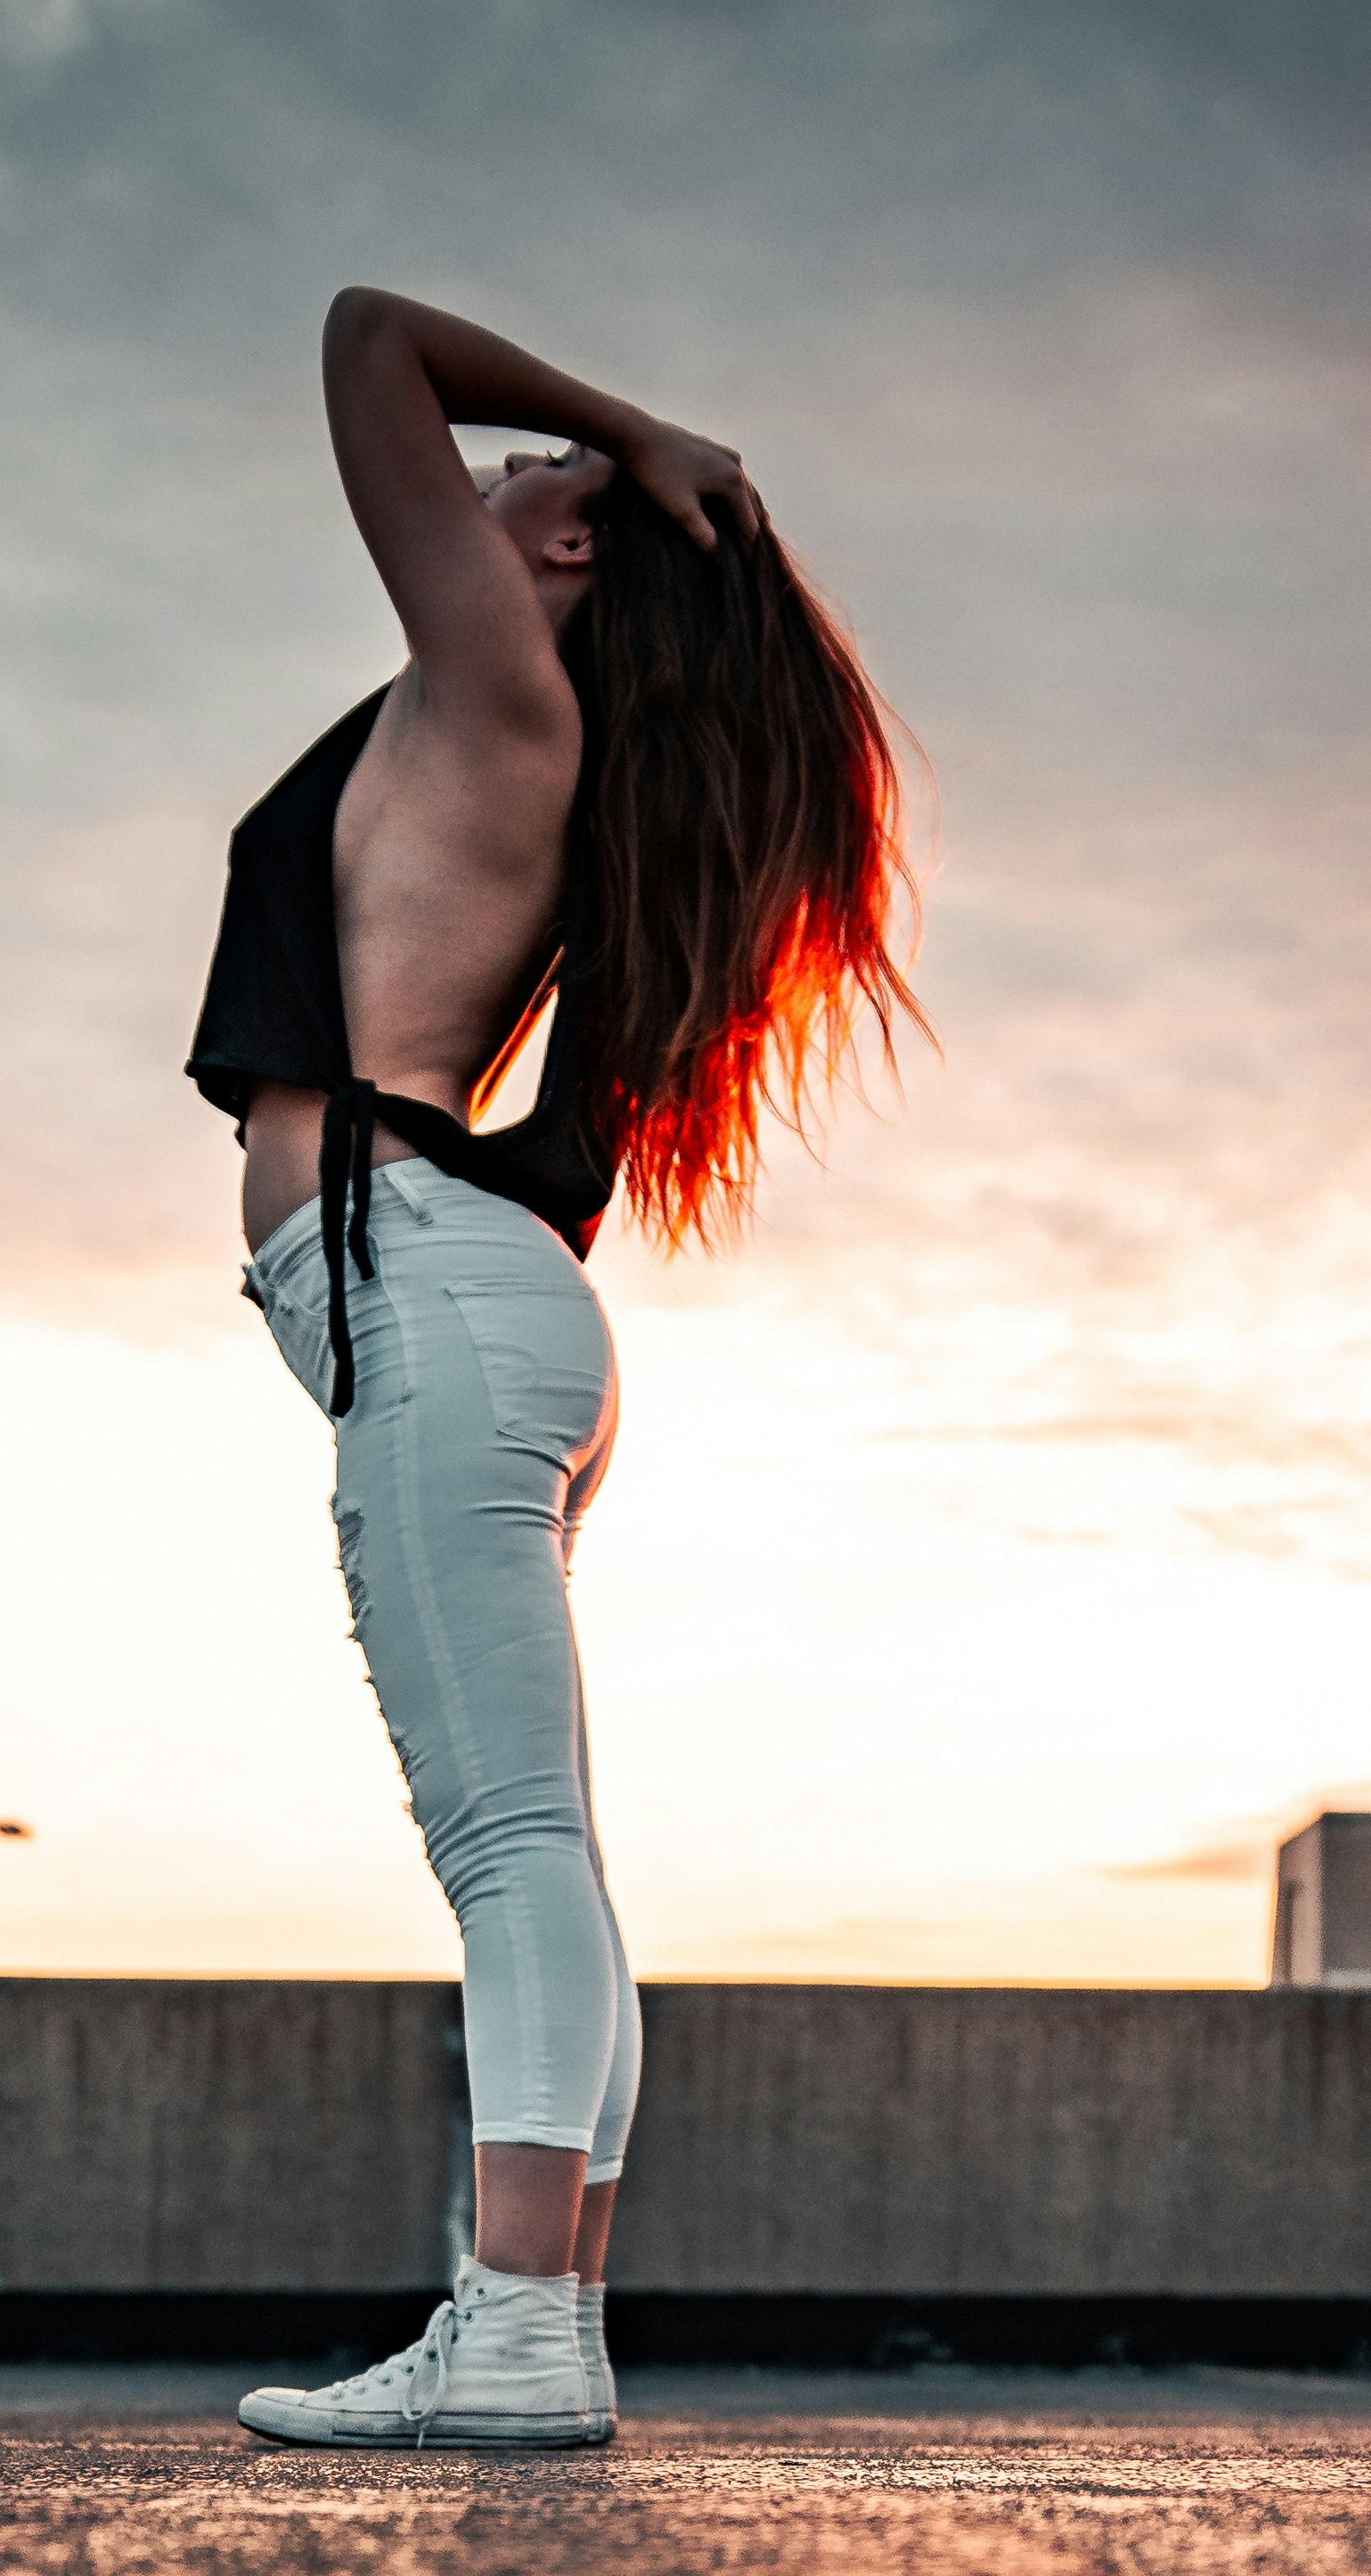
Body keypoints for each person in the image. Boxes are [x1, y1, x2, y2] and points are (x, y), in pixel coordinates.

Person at [192, 289, 922, 2453]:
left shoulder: (503, 686)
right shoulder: (503, 718)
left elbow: (357, 341)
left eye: (544, 488)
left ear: (575, 557)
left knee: (512, 1847)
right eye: (519, 465)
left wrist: (637, 432)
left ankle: (515, 2328)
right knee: (545, 1851)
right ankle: (535, 2329)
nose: (501, 482)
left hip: (433, 1290)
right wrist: (633, 467)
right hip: (468, 1296)